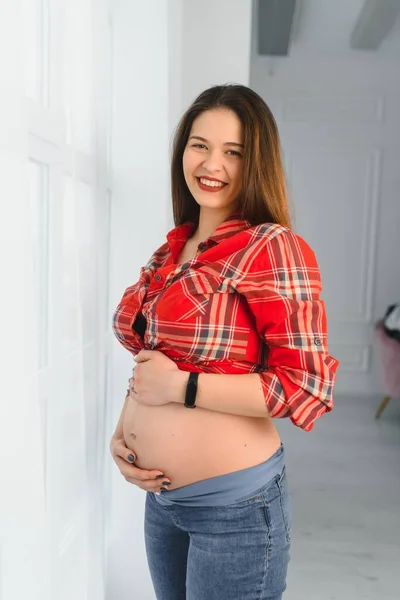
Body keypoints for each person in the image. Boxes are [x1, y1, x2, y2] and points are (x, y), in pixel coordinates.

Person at [110, 83, 339, 600]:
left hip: (235, 510)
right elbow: (151, 362)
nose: (212, 163)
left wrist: (182, 390)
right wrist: (123, 434)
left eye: (233, 152)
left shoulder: (274, 248)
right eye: (200, 144)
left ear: (255, 162)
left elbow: (307, 389)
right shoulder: (173, 249)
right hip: (163, 503)